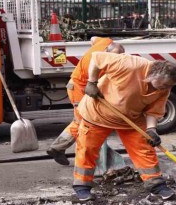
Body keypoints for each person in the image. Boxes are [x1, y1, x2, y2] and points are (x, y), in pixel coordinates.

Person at [72, 54, 176, 202]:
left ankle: (156, 185)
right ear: (154, 74)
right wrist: (92, 82)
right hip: (97, 113)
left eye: (170, 86)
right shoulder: (131, 65)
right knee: (87, 149)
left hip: (131, 119)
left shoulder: (164, 89)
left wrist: (151, 130)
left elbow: (153, 111)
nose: (167, 89)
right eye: (165, 85)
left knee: (144, 149)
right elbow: (97, 58)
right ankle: (82, 187)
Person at [46, 37, 125, 165]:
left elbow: (93, 38)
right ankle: (58, 148)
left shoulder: (105, 41)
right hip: (79, 89)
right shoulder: (99, 65)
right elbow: (97, 85)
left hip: (77, 84)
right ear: (107, 52)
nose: (114, 61)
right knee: (82, 121)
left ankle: (60, 148)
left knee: (81, 121)